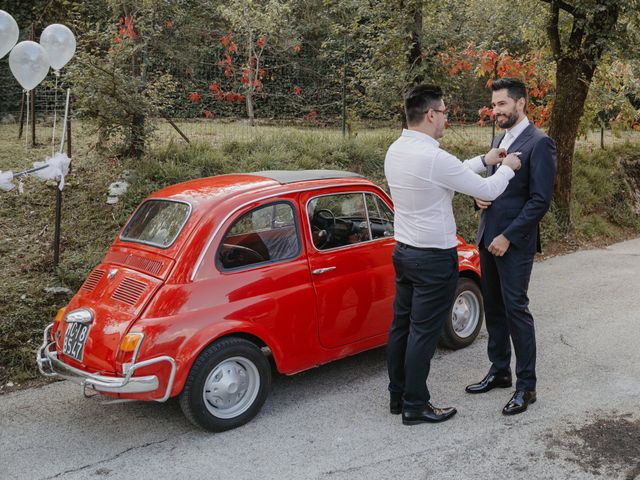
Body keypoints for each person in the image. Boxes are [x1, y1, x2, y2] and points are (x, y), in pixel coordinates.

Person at [385, 84, 521, 425]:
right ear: (431, 114)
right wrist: (509, 167)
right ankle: (416, 405)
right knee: (424, 333)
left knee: (401, 326)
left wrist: (484, 160)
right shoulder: (433, 157)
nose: (447, 118)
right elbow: (487, 189)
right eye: (445, 112)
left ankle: (398, 395)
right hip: (433, 258)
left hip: (403, 252)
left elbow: (447, 171)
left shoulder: (397, 150)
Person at [466, 77, 557, 415]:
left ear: (521, 104)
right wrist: (478, 197)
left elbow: (539, 201)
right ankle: (499, 370)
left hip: (513, 243)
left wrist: (509, 236)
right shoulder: (497, 139)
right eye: (494, 105)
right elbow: (490, 185)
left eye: (502, 104)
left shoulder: (541, 143)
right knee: (493, 307)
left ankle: (526, 386)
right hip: (487, 237)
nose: (496, 111)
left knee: (516, 309)